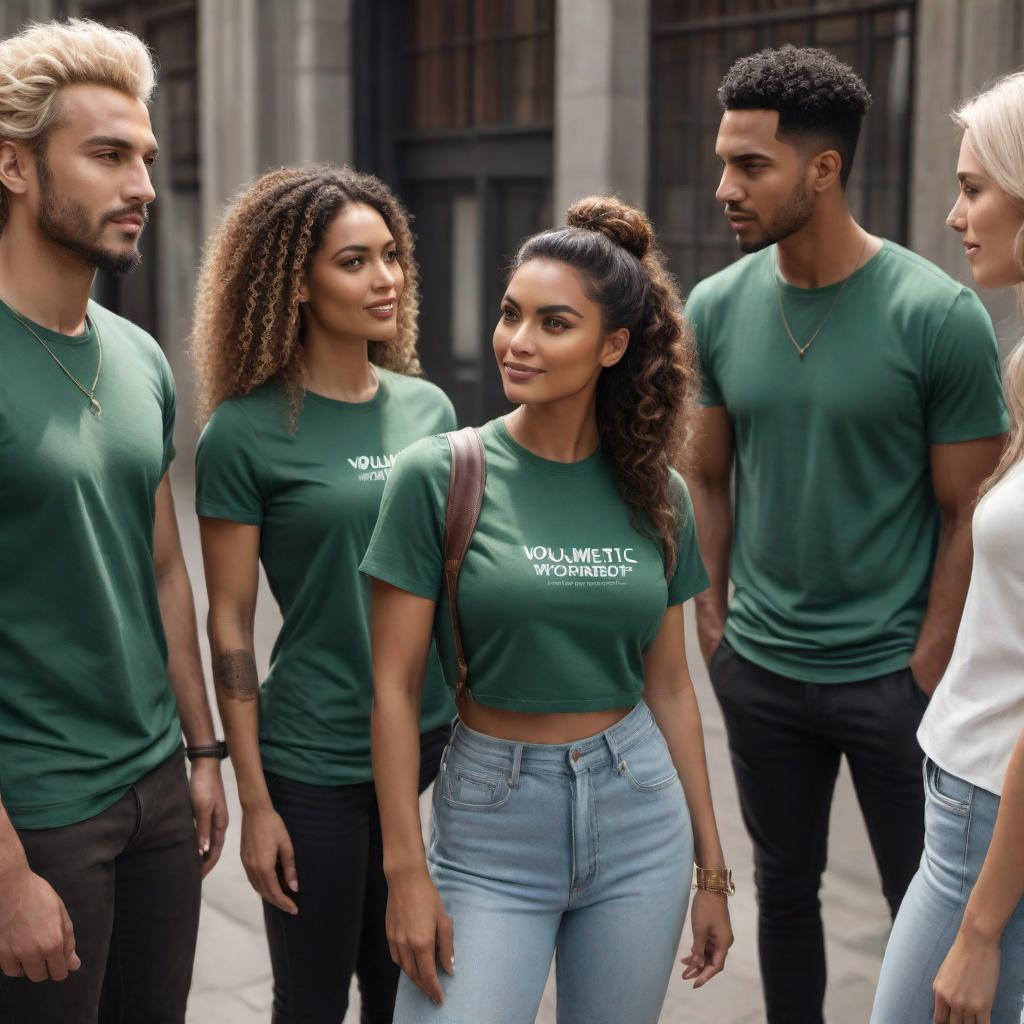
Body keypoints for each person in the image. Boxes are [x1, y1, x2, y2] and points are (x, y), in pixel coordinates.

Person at [684, 45, 1009, 1024]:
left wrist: (928, 654)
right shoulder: (715, 307)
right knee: (784, 889)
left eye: (751, 166)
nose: (724, 188)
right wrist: (714, 626)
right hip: (762, 671)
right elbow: (703, 474)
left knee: (929, 899)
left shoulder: (937, 315)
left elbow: (970, 508)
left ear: (820, 171)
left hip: (893, 679)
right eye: (722, 162)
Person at [360, 196, 733, 1024]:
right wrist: (405, 872)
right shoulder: (439, 474)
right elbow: (392, 686)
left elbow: (670, 687)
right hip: (493, 819)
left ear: (613, 346)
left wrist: (711, 867)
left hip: (640, 811)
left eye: (552, 324)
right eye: (509, 315)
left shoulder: (658, 494)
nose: (518, 342)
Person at [0, 18, 227, 1024]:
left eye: (146, 157)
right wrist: (6, 871)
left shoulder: (137, 354)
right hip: (38, 814)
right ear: (13, 166)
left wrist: (203, 750)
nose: (139, 184)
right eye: (106, 155)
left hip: (155, 791)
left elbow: (163, 567)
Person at [192, 165, 456, 1023]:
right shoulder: (243, 431)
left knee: (412, 990)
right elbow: (228, 619)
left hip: (434, 750)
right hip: (315, 761)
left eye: (390, 256)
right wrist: (256, 800)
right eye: (354, 262)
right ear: (294, 283)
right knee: (311, 1002)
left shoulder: (431, 411)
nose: (385, 279)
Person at [870, 71, 1024, 1024]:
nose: (954, 214)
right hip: (972, 797)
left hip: (990, 821)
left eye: (975, 188)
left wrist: (979, 930)